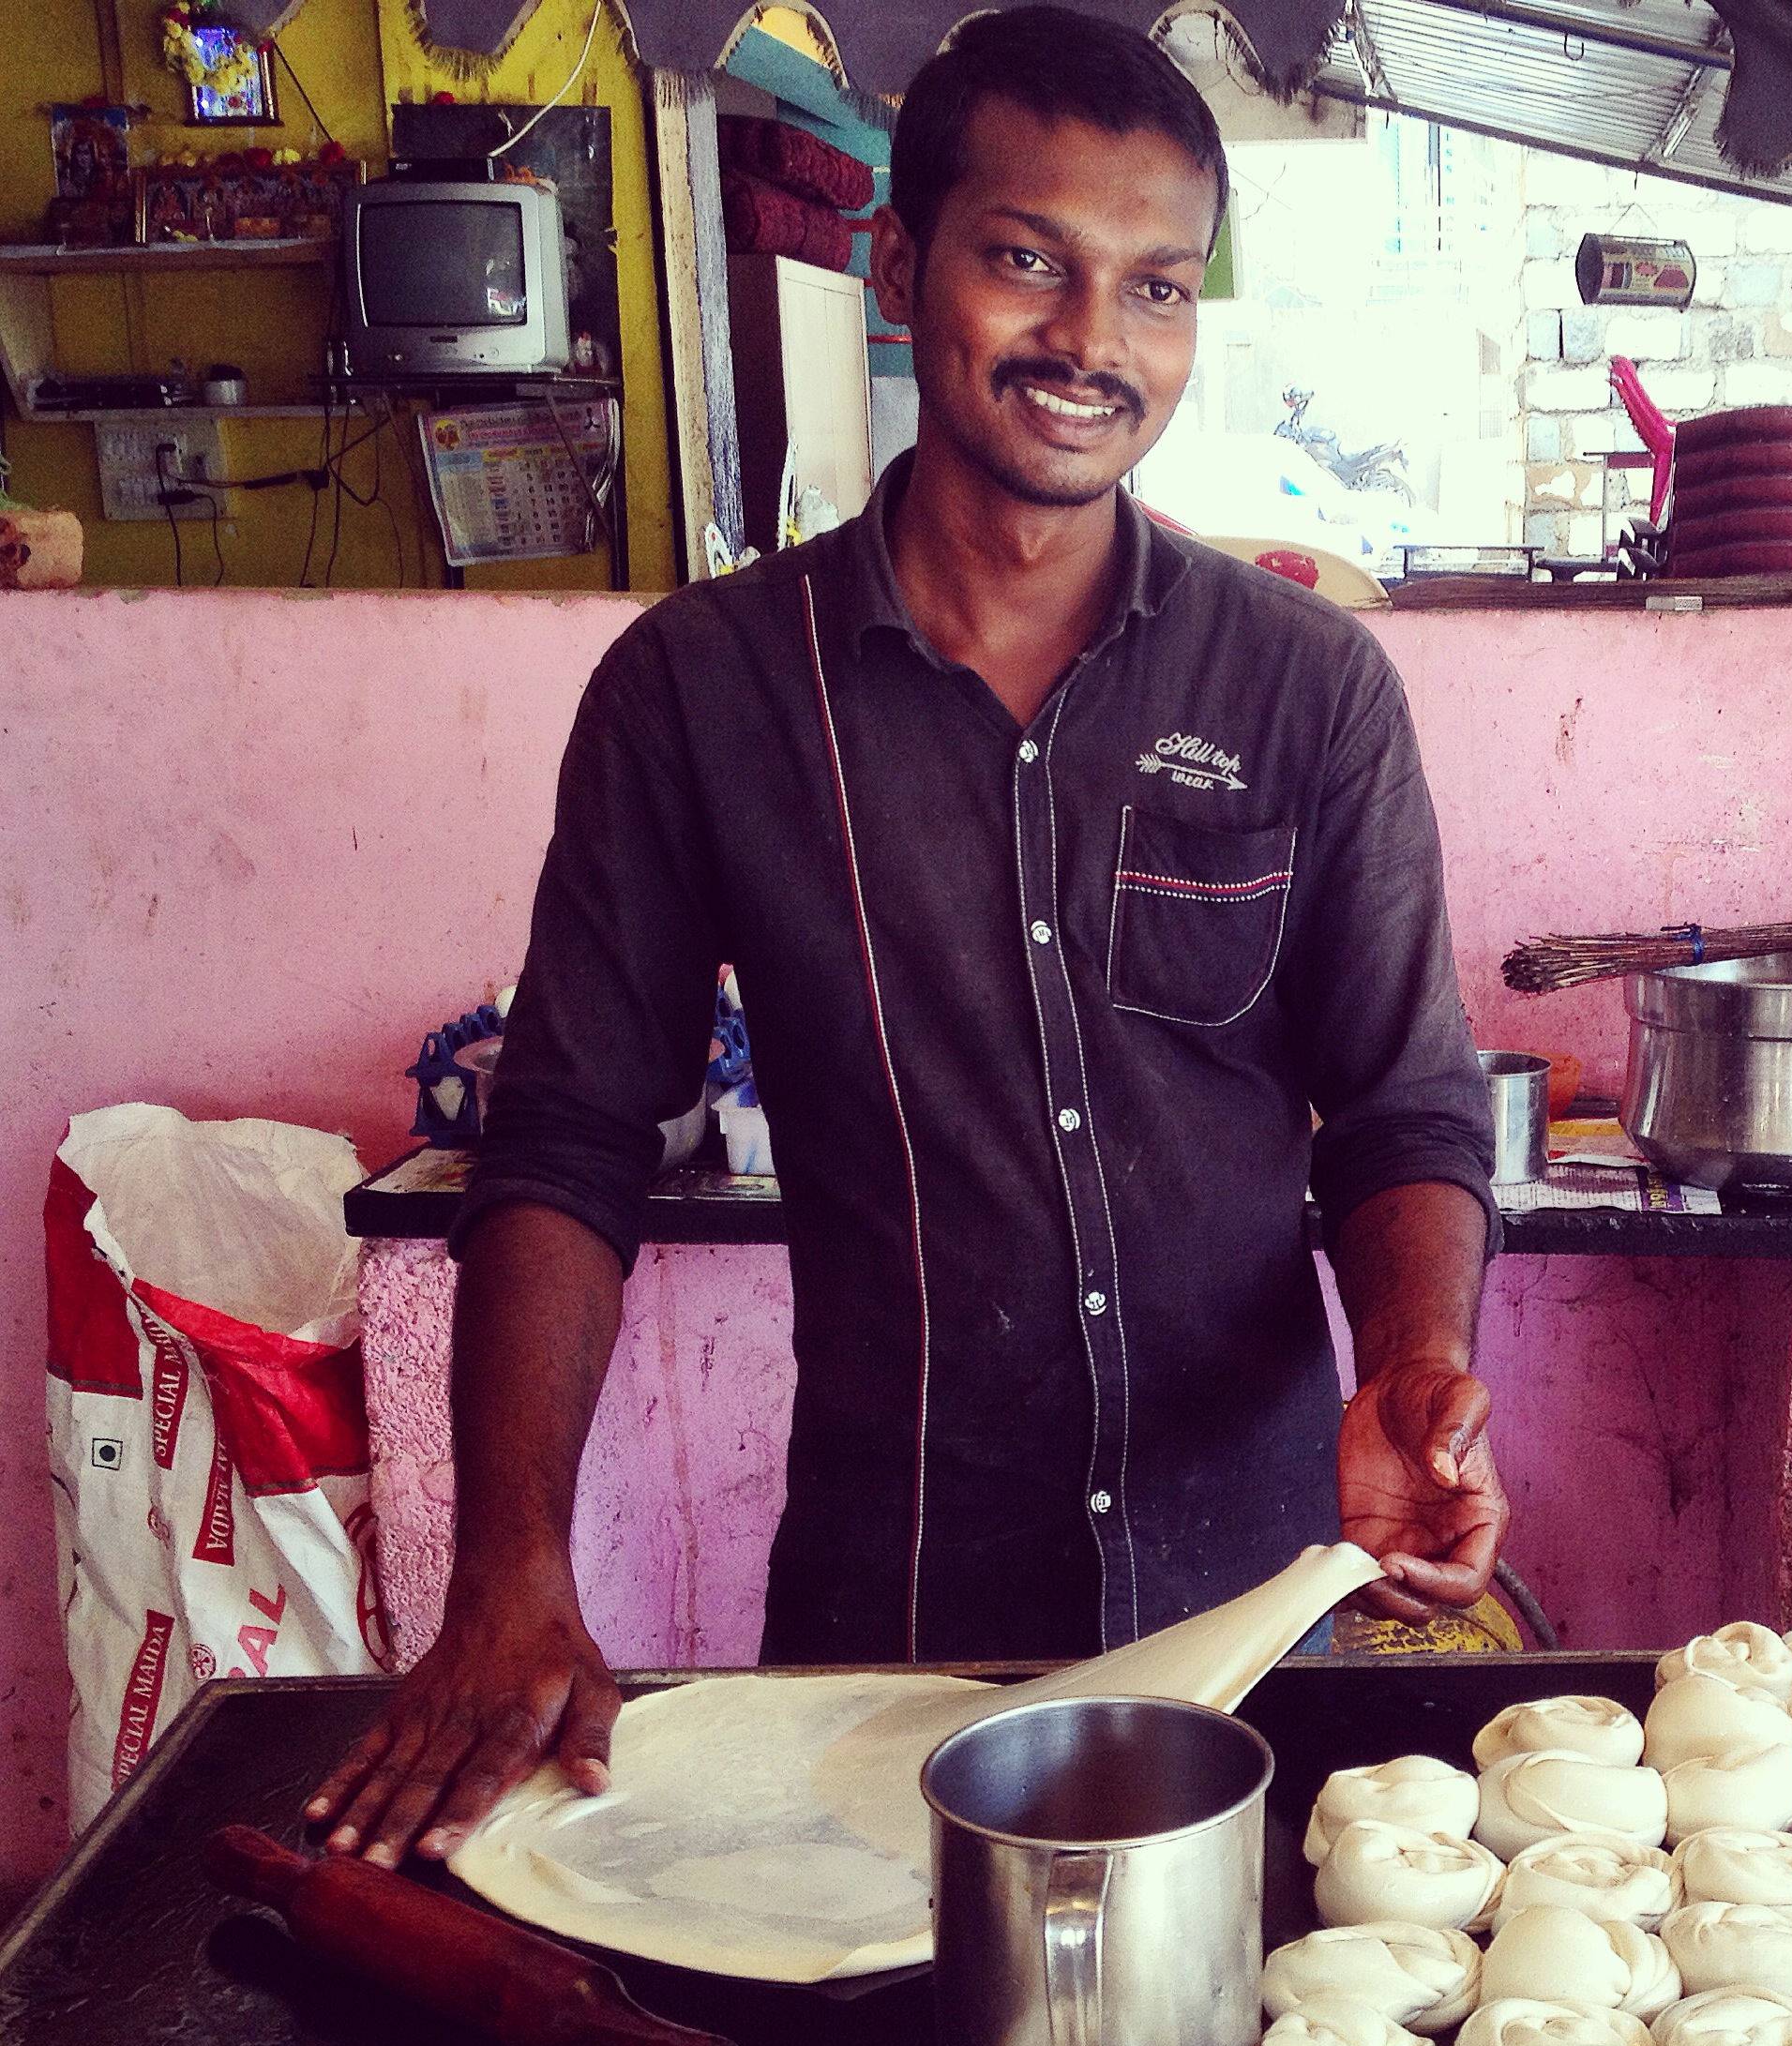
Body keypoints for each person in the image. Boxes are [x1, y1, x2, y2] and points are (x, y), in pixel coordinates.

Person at [310, 7, 1507, 1870]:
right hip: (893, 1636)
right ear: (900, 263)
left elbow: (1410, 1107)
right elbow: (562, 1145)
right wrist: (511, 1571)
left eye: (1159, 288)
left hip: (1258, 1622)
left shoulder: (1306, 692)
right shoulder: (701, 694)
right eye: (1029, 258)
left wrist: (1411, 1369)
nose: (1092, 341)